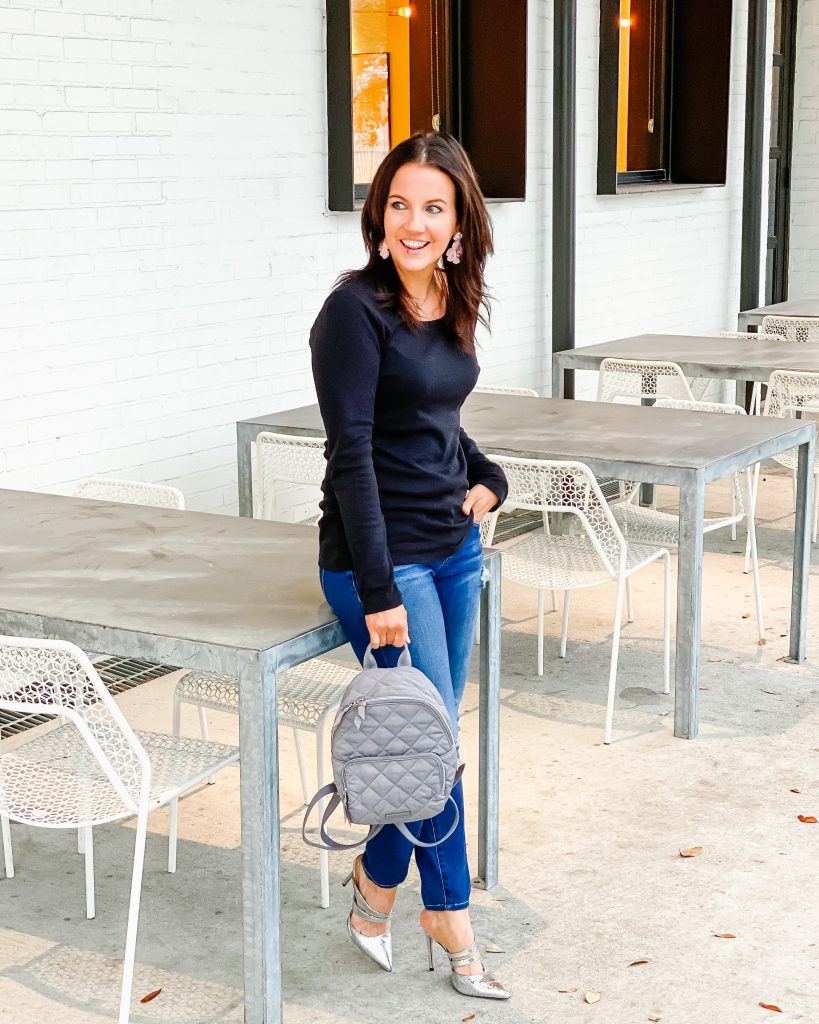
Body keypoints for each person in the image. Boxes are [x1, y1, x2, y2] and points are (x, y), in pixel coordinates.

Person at [309, 131, 510, 1001]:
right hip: (383, 562)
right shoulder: (352, 312)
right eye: (399, 204)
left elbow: (433, 419)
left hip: (453, 547)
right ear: (377, 215)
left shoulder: (453, 301)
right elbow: (351, 450)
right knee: (431, 745)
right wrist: (381, 588)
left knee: (428, 744)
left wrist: (484, 473)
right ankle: (449, 916)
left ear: (459, 219)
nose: (415, 222)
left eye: (434, 206)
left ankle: (375, 882)